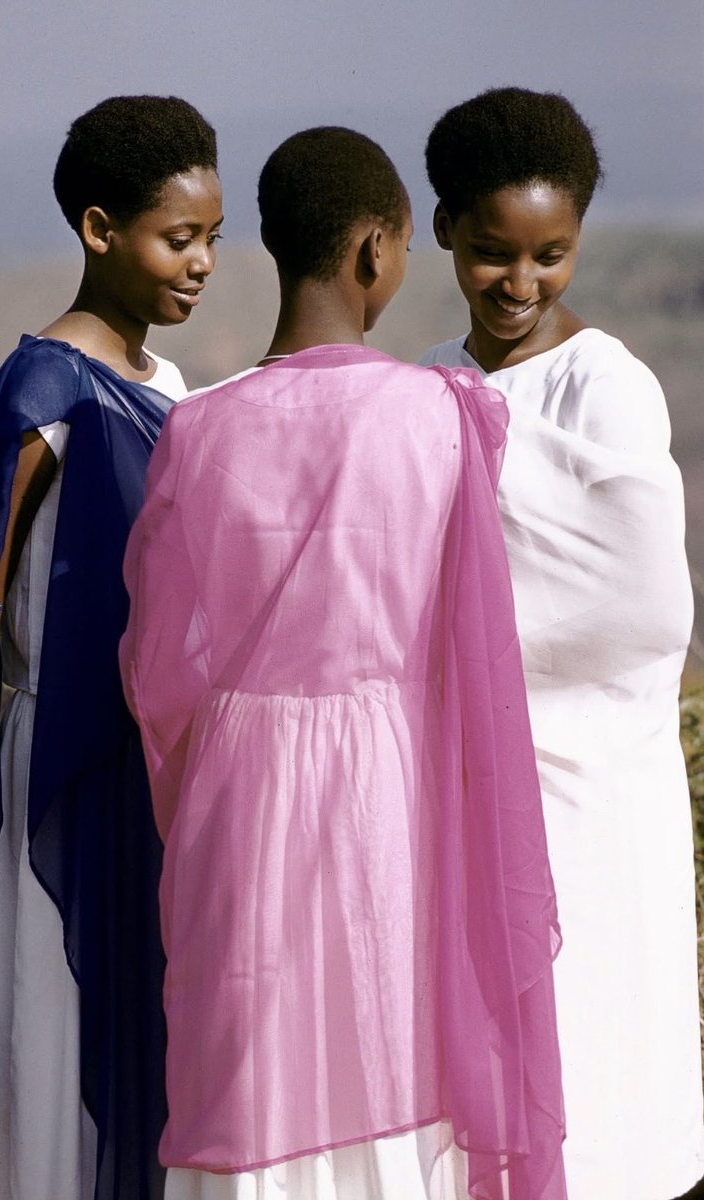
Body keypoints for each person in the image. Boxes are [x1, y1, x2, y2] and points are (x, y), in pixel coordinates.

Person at [119, 126, 567, 1200]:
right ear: (377, 248)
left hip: (241, 807)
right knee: (390, 1047)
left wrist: (219, 779)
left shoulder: (198, 430)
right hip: (389, 806)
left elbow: (159, 678)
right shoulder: (442, 418)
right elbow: (476, 663)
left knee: (249, 1069)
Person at [0, 94, 223, 1200]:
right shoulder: (41, 390)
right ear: (97, 228)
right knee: (53, 1023)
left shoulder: (170, 388)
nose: (204, 263)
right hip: (51, 772)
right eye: (180, 238)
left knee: (142, 1024)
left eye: (214, 237)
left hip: (151, 765)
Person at [419, 86, 704, 1200]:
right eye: (493, 253)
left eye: (551, 255)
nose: (520, 284)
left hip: (591, 788)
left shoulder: (610, 386)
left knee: (596, 1043)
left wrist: (479, 630)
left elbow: (640, 609)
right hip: (463, 786)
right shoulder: (429, 382)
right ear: (443, 229)